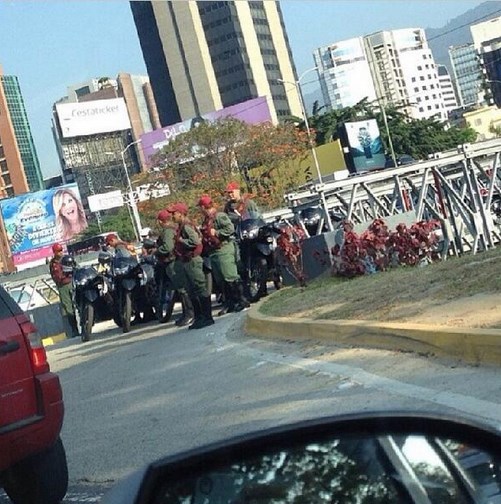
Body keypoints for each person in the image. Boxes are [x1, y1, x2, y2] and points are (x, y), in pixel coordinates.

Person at [198, 195, 249, 315]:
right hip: (214, 252)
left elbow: (230, 229)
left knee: (230, 276)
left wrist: (217, 232)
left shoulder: (219, 216)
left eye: (200, 207)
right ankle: (229, 303)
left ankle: (242, 300)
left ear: (203, 207)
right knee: (221, 279)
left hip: (224, 249)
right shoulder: (206, 220)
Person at [169, 201, 214, 330]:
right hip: (186, 261)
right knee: (191, 290)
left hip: (192, 260)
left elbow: (194, 241)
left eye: (174, 213)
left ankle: (207, 317)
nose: (173, 216)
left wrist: (182, 241)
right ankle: (199, 317)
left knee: (199, 288)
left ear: (181, 214)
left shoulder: (186, 226)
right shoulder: (181, 226)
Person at [156, 209, 194, 326]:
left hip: (172, 262)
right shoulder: (174, 228)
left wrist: (156, 251)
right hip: (176, 261)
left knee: (182, 289)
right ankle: (186, 313)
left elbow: (168, 247)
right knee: (180, 289)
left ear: (161, 221)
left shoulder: (167, 231)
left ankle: (190, 313)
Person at [49, 243, 79, 338]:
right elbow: (55, 276)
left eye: (61, 250)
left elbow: (77, 267)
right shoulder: (53, 263)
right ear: (54, 252)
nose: (61, 252)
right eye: (58, 251)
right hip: (62, 286)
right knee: (68, 308)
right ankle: (74, 330)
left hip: (71, 282)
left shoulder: (67, 259)